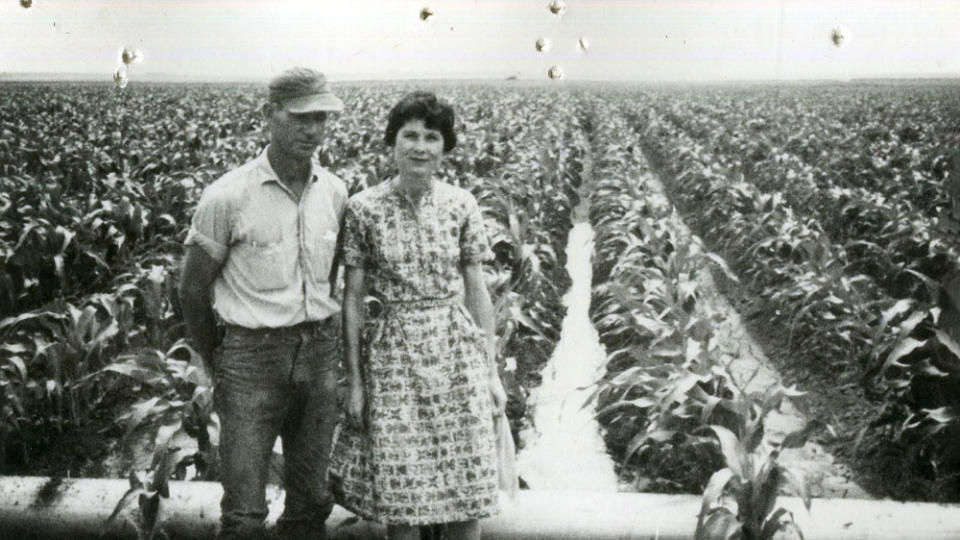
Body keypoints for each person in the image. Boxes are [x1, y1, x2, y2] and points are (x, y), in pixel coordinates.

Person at [329, 91, 507, 540]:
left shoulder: (461, 204)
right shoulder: (364, 208)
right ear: (393, 143)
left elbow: (477, 289)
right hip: (393, 359)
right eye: (409, 135)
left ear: (445, 148)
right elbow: (352, 299)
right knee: (401, 502)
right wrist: (356, 382)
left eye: (432, 137)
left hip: (456, 353)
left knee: (467, 496)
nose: (420, 147)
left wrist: (490, 373)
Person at [178, 67, 347, 540]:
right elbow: (192, 289)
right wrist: (217, 356)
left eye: (321, 119)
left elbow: (329, 277)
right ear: (269, 115)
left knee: (311, 504)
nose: (312, 130)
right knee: (245, 514)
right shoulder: (227, 196)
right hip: (251, 359)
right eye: (300, 118)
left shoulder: (334, 192)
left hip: (318, 357)